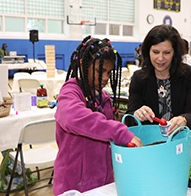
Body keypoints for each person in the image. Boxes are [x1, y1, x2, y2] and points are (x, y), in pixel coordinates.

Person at [53, 36, 143, 195]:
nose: (106, 78)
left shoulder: (105, 99)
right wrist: (119, 132)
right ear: (83, 64)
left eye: (109, 72)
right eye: (100, 71)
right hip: (74, 187)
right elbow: (73, 117)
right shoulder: (71, 91)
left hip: (103, 183)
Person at [126, 24, 191, 151]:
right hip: (151, 145)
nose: (160, 58)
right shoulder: (139, 78)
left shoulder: (190, 75)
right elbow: (130, 115)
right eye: (155, 52)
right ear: (148, 51)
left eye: (167, 52)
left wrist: (183, 119)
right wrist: (137, 113)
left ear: (175, 53)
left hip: (184, 143)